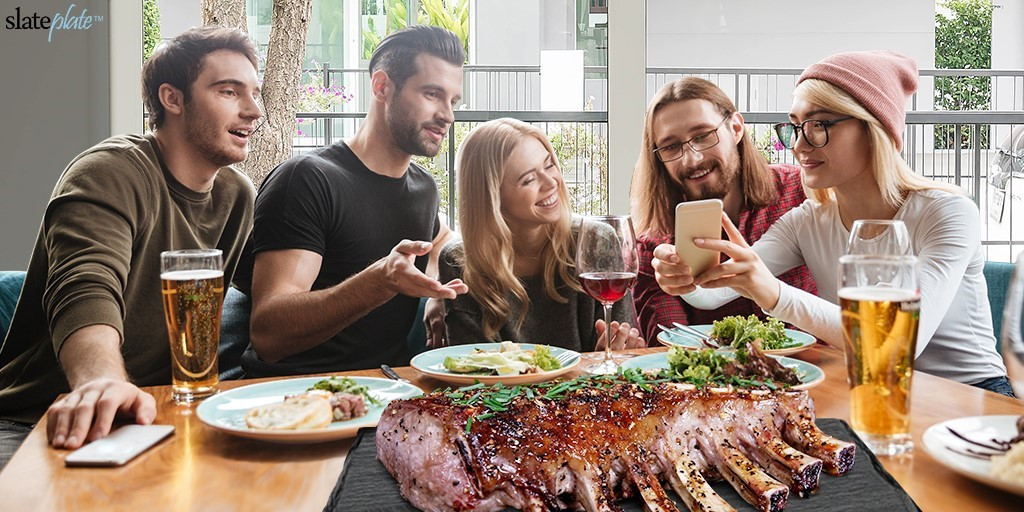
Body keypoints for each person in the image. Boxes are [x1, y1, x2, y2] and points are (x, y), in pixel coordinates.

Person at [652, 51, 1011, 395]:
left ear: (873, 127)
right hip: (871, 394)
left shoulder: (947, 212)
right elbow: (715, 292)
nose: (798, 145)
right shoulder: (807, 221)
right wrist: (683, 276)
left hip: (971, 398)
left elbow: (897, 344)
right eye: (795, 127)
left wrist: (774, 294)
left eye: (818, 125)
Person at [0, 26, 260, 468]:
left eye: (255, 93)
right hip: (37, 418)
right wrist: (101, 383)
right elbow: (85, 286)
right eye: (229, 92)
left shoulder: (237, 196)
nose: (254, 111)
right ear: (172, 98)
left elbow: (274, 300)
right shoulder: (109, 172)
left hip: (162, 415)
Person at [237, 26, 468, 377]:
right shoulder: (307, 179)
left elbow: (440, 244)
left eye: (453, 102)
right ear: (382, 86)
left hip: (393, 388)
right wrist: (379, 282)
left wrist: (438, 293)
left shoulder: (423, 188)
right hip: (297, 393)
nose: (447, 115)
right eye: (432, 94)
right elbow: (269, 334)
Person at [630, 77, 816, 342]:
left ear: (736, 128)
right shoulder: (655, 246)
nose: (692, 159)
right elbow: (673, 346)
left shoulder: (801, 193)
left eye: (703, 136)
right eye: (671, 146)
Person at [436, 118, 643, 351]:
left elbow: (623, 346)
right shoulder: (459, 260)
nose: (550, 183)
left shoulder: (597, 240)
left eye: (549, 165)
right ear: (492, 197)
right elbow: (471, 362)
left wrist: (612, 351)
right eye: (529, 179)